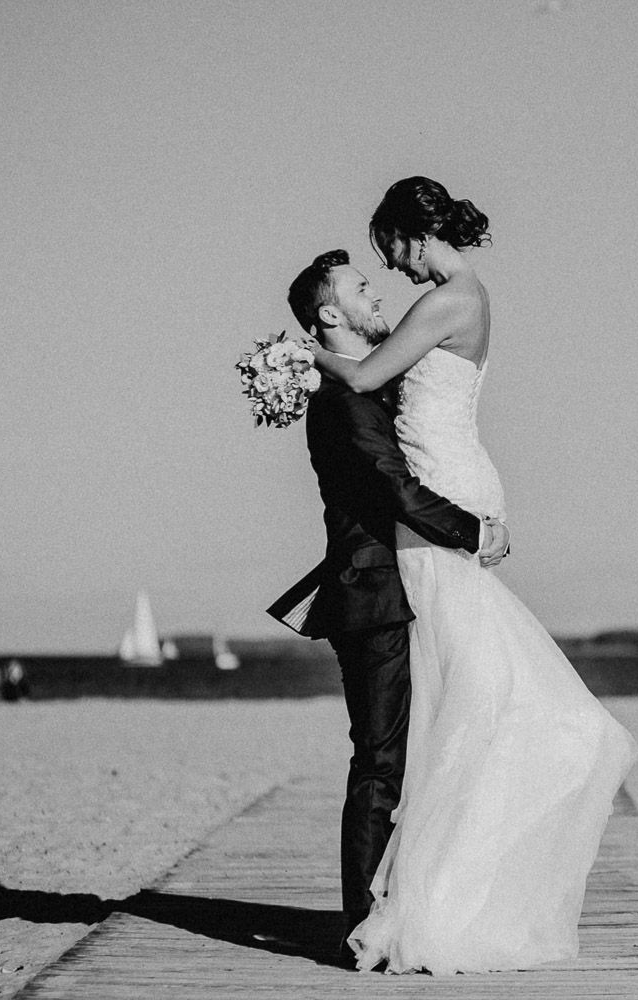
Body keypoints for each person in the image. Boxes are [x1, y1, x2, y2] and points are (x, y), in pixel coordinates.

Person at [300, 177, 638, 974]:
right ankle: (424, 894)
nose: (394, 271)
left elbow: (361, 376)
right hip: (449, 483)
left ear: (410, 233)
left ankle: (431, 900)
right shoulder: (459, 294)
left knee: (462, 704)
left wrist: (296, 352)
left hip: (443, 492)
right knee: (455, 697)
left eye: (388, 251)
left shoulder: (448, 299)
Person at [267, 248, 510, 967]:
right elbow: (390, 489)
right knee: (379, 763)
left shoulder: (364, 392)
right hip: (370, 596)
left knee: (402, 759)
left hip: (391, 590)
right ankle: (360, 926)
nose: (378, 296)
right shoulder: (342, 404)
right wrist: (474, 530)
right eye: (360, 288)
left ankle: (392, 907)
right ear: (329, 314)